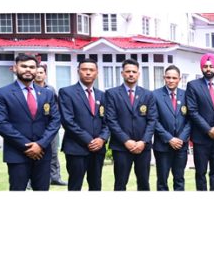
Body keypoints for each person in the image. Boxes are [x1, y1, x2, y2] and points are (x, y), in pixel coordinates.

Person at [0, 53, 61, 190]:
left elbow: (55, 120)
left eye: (32, 67)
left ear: (37, 69)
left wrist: (41, 144)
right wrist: (28, 146)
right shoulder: (2, 93)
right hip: (17, 154)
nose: (28, 70)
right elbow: (1, 123)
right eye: (23, 66)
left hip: (43, 154)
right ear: (15, 68)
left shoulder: (47, 93)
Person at [104, 59, 158, 191]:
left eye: (134, 72)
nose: (131, 74)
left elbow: (152, 120)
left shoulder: (148, 94)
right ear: (122, 73)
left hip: (143, 147)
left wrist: (143, 141)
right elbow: (111, 120)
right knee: (120, 183)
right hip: (121, 147)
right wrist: (126, 141)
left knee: (144, 183)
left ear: (139, 74)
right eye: (128, 71)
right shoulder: (112, 94)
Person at [58, 58, 110, 191]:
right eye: (84, 69)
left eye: (91, 70)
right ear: (78, 71)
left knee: (96, 185)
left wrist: (102, 139)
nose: (88, 73)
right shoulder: (66, 92)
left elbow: (108, 121)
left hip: (98, 149)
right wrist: (89, 140)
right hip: (76, 148)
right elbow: (68, 121)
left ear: (97, 73)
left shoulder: (102, 95)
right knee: (75, 185)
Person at [185, 53, 214, 191]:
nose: (208, 69)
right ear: (201, 68)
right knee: (200, 173)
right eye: (205, 66)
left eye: (211, 66)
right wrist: (208, 129)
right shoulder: (193, 85)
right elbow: (192, 111)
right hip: (201, 138)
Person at [153, 65, 191, 191]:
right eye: (168, 77)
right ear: (164, 78)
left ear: (179, 79)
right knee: (162, 181)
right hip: (163, 146)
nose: (171, 80)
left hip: (181, 146)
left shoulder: (186, 95)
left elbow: (190, 120)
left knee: (179, 180)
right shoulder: (155, 95)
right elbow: (154, 120)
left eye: (174, 78)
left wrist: (181, 139)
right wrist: (169, 139)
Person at [34, 64, 67, 186]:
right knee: (35, 153)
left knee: (53, 153)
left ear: (45, 74)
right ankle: (30, 180)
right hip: (35, 128)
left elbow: (56, 107)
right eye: (36, 72)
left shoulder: (51, 89)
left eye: (41, 72)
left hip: (51, 128)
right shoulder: (29, 89)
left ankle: (55, 177)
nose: (38, 74)